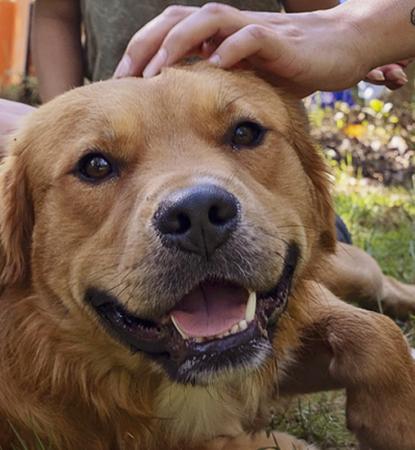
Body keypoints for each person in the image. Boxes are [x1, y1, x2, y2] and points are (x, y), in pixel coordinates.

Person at [0, 0, 413, 151]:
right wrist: (60, 132)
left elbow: (317, 19)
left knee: (324, 267)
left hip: (251, 158)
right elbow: (55, 16)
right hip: (122, 170)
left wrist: (357, 37)